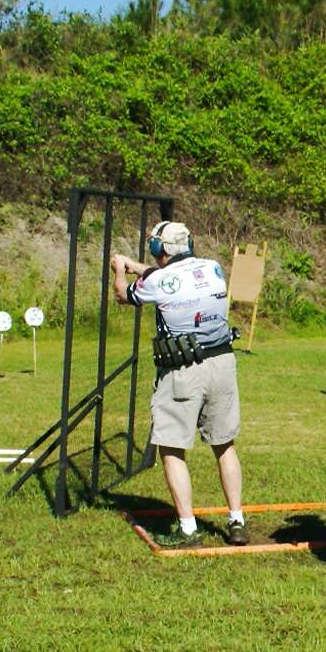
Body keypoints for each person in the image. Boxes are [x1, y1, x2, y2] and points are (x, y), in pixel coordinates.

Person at [110, 221, 247, 548]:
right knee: (223, 443)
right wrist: (141, 268)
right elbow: (177, 278)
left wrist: (119, 269)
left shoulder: (157, 281)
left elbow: (122, 296)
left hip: (183, 370)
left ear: (160, 249)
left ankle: (187, 528)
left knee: (171, 446)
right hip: (223, 364)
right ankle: (237, 520)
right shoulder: (213, 268)